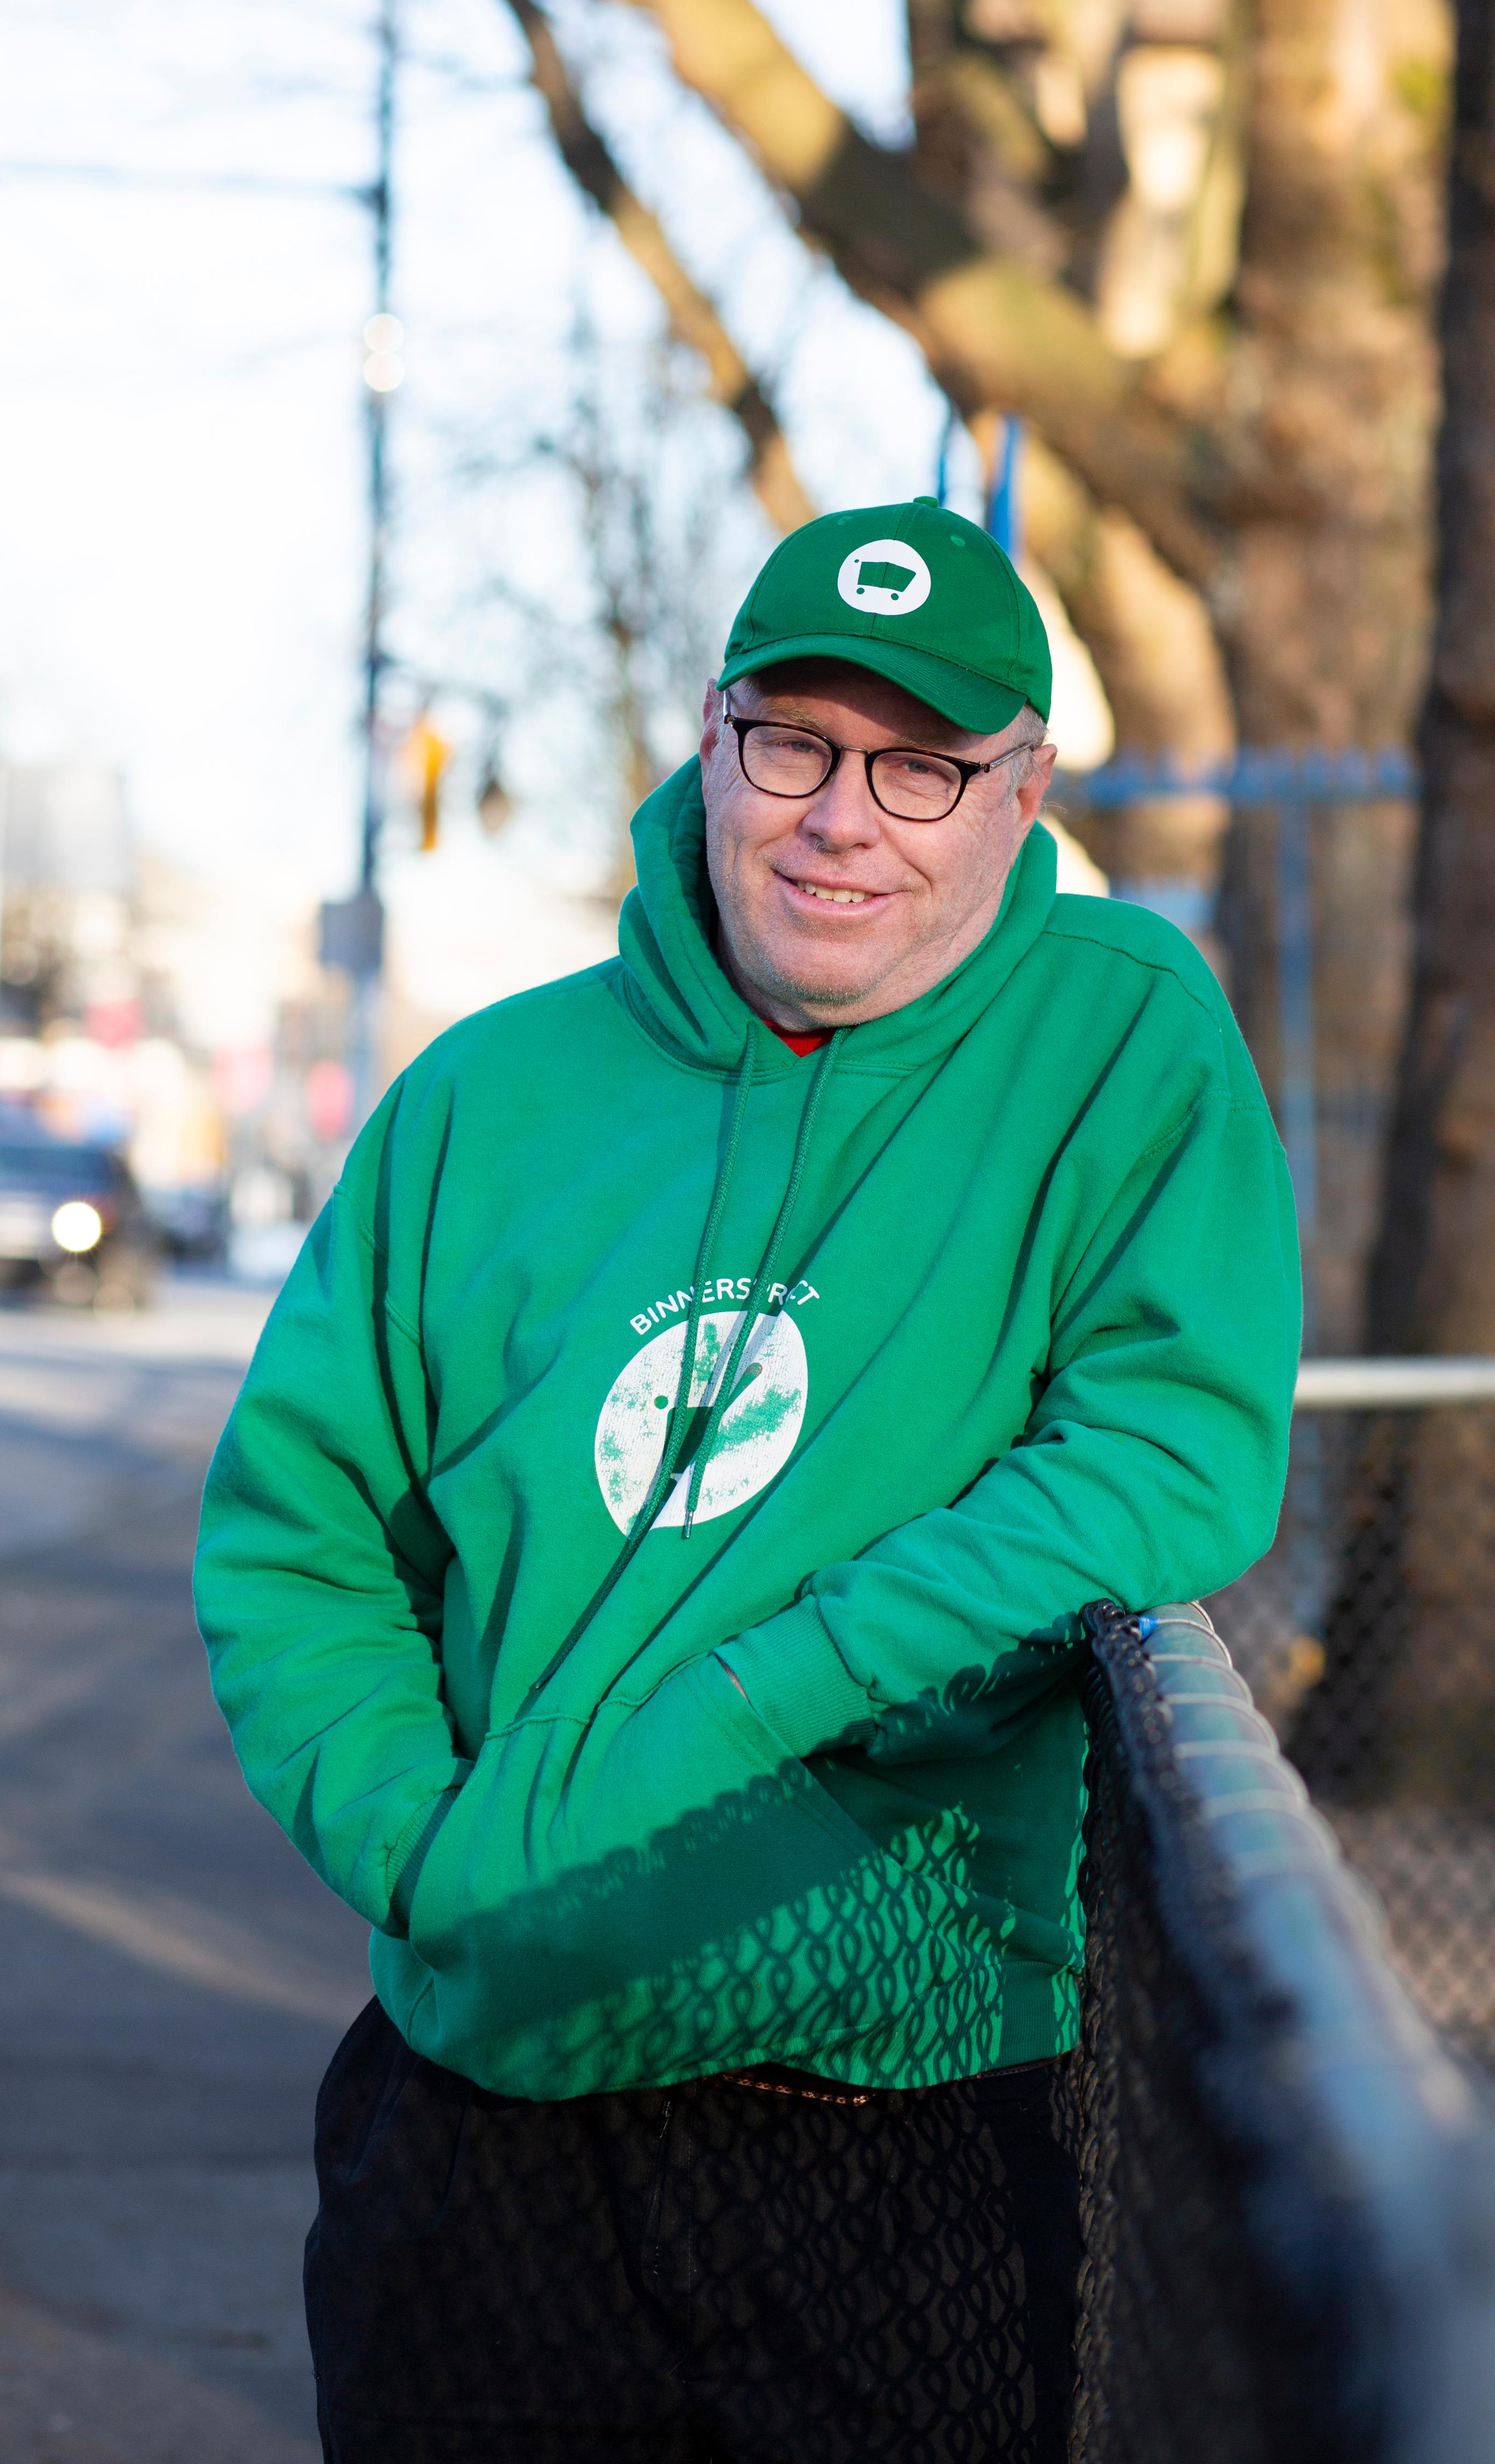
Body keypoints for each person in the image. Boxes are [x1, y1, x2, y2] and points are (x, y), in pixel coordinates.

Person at [195, 497, 1301, 2464]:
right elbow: (306, 1532)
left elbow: (1174, 1453)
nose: (840, 817)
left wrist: (760, 1691)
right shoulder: (486, 1096)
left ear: (1019, 787)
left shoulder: (1117, 1031)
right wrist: (424, 1853)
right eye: (788, 742)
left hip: (901, 2114)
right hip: (492, 2107)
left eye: (921, 767)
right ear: (709, 743)